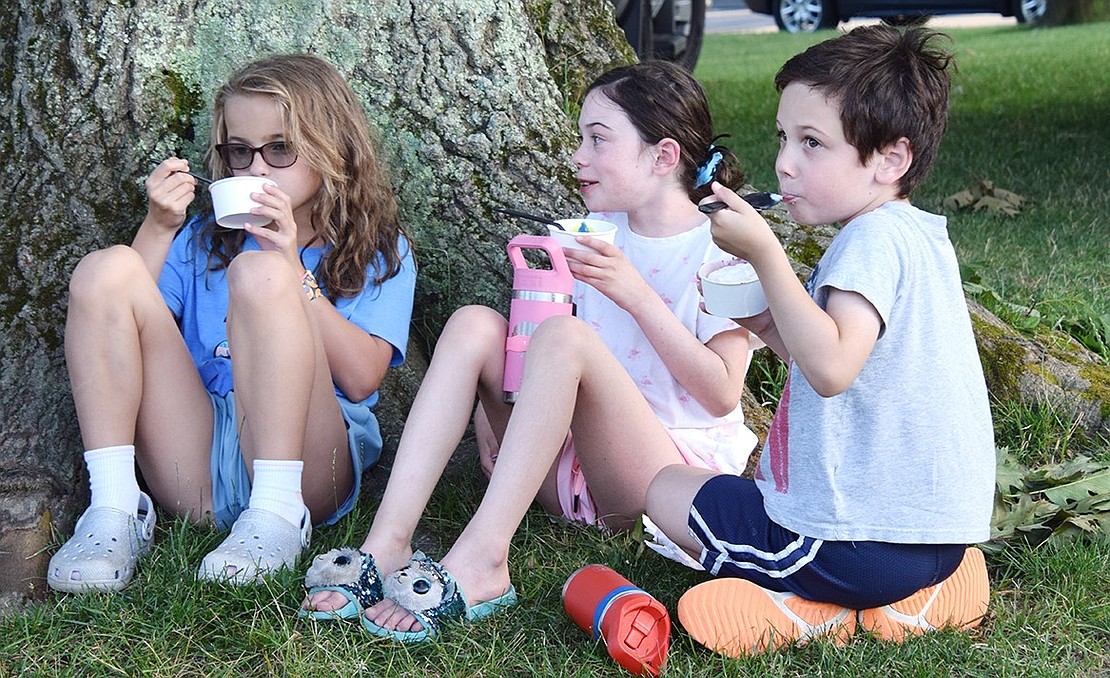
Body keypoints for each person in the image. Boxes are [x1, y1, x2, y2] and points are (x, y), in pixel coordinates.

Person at [299, 60, 760, 640]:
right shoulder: (597, 228)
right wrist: (494, 415)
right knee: (474, 324)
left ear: (663, 156)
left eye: (598, 139)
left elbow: (721, 394)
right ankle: (388, 541)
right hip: (563, 469)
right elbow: (545, 347)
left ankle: (484, 558)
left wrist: (638, 296)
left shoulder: (720, 251)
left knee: (567, 338)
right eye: (580, 139)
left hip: (655, 482)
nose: (577, 158)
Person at [644, 25, 996, 657]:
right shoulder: (916, 237)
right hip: (938, 537)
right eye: (784, 137)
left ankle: (810, 612)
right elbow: (849, 364)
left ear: (892, 158)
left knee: (666, 488)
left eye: (812, 143)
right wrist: (767, 324)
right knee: (731, 493)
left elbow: (831, 370)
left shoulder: (864, 242)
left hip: (852, 545)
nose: (784, 162)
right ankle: (930, 594)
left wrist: (765, 254)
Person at [46, 54, 416, 591]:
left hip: (309, 462)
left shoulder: (378, 250)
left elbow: (362, 378)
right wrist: (157, 226)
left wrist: (289, 266)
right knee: (105, 268)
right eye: (239, 151)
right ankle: (114, 508)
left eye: (281, 148)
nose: (257, 169)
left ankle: (275, 514)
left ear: (332, 147)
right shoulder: (202, 241)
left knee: (260, 275)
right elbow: (115, 318)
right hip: (195, 456)